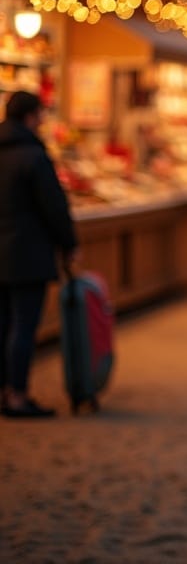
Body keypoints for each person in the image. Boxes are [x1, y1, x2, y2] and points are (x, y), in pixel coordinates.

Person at [0, 91, 77, 418]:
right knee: (23, 326)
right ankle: (18, 394)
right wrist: (69, 244)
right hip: (27, 254)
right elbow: (54, 208)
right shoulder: (34, 155)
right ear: (31, 116)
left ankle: (4, 392)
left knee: (1, 325)